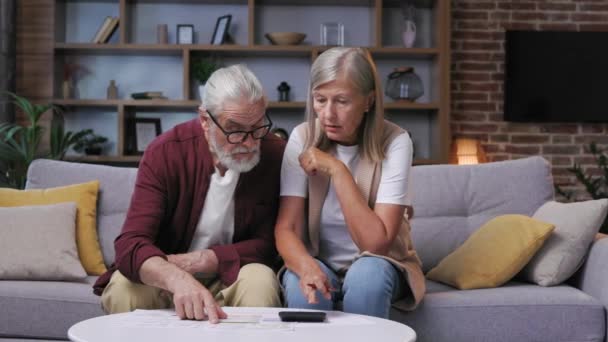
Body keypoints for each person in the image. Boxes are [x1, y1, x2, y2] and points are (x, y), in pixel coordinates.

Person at [93, 64, 286, 323]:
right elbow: (130, 244)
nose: (250, 143)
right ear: (205, 121)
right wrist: (178, 279)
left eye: (258, 127)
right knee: (123, 289)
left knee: (261, 281)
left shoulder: (275, 153)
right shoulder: (165, 152)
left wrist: (204, 260)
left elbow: (269, 244)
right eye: (236, 129)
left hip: (231, 275)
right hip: (167, 277)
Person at [275, 47, 425, 318]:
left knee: (367, 277)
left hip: (381, 263)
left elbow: (375, 245)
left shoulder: (396, 142)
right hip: (320, 260)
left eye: (342, 101)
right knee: (304, 292)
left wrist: (338, 170)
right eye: (320, 100)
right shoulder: (301, 137)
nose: (328, 114)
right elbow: (287, 228)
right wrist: (306, 265)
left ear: (368, 101)